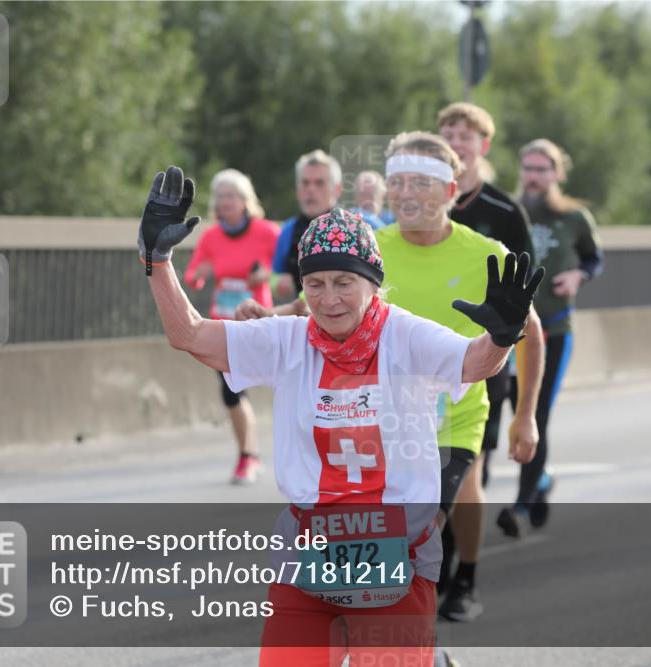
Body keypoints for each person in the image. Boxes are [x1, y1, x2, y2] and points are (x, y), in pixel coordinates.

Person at [138, 166, 541, 666]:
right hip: (309, 552)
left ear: (373, 282)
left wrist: (501, 336)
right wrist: (157, 260)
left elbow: (475, 363)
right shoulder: (286, 340)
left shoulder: (405, 334)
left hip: (397, 553)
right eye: (316, 283)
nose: (329, 300)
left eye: (345, 282)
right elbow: (191, 336)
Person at [374, 131, 543, 624]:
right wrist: (268, 313)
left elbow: (530, 332)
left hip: (456, 416)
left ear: (451, 192)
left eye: (421, 183)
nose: (406, 194)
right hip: (381, 422)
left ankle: (465, 576)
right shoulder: (370, 249)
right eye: (397, 182)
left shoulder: (486, 254)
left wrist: (526, 417)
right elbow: (319, 306)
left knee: (424, 526)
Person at [435, 104, 546, 614]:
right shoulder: (418, 206)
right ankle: (434, 566)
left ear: (483, 146)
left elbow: (524, 307)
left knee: (467, 473)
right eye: (447, 134)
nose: (455, 141)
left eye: (465, 135)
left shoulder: (503, 214)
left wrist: (527, 412)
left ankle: (465, 579)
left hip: (484, 362)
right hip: (423, 364)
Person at [498, 138, 603, 537]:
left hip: (554, 329)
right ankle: (540, 481)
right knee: (509, 411)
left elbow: (595, 258)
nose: (535, 176)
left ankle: (521, 506)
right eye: (529, 168)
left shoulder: (574, 217)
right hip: (507, 332)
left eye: (544, 169)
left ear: (557, 173)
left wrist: (579, 275)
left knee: (535, 415)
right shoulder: (507, 213)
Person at [184, 169, 279, 484]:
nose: (225, 202)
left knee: (286, 386)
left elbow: (288, 272)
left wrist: (266, 275)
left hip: (260, 322)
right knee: (231, 390)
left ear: (245, 200)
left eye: (231, 196)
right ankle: (247, 455)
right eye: (220, 196)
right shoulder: (211, 236)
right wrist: (201, 274)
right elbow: (192, 275)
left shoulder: (267, 232)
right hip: (224, 324)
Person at [271, 150, 343, 305]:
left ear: (337, 189)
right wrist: (278, 283)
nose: (311, 190)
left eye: (319, 183)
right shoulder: (289, 230)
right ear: (297, 190)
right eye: (305, 183)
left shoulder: (357, 227)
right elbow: (274, 276)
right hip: (306, 319)